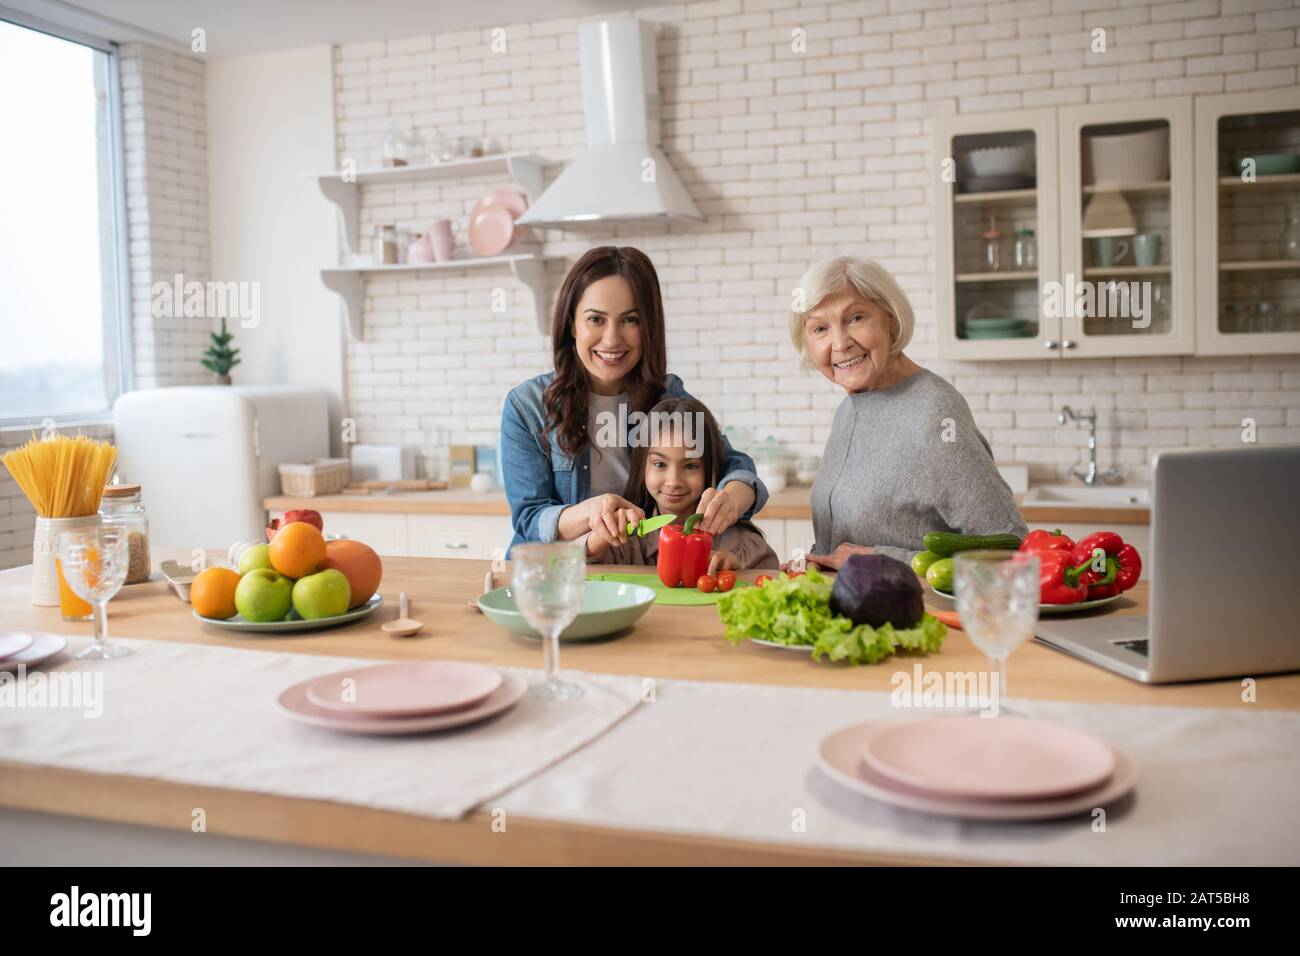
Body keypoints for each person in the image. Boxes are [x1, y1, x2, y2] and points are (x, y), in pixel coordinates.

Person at [501, 246, 767, 554]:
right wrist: (594, 511)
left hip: (636, 571)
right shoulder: (528, 406)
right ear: (572, 324)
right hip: (554, 573)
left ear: (648, 327)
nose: (612, 339)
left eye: (630, 320)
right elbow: (530, 519)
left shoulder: (667, 397)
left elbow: (736, 466)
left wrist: (733, 497)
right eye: (596, 319)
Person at [788, 255, 1026, 569]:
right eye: (820, 328)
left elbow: (1010, 546)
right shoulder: (850, 409)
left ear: (890, 319)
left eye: (856, 318)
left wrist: (884, 559)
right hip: (856, 609)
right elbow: (843, 550)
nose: (840, 343)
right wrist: (813, 564)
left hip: (916, 612)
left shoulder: (935, 413)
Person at [584, 398, 779, 574]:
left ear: (711, 469)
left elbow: (771, 585)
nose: (674, 481)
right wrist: (601, 536)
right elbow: (580, 574)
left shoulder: (742, 544)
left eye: (690, 466)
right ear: (642, 468)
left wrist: (738, 570)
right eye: (660, 464)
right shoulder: (628, 541)